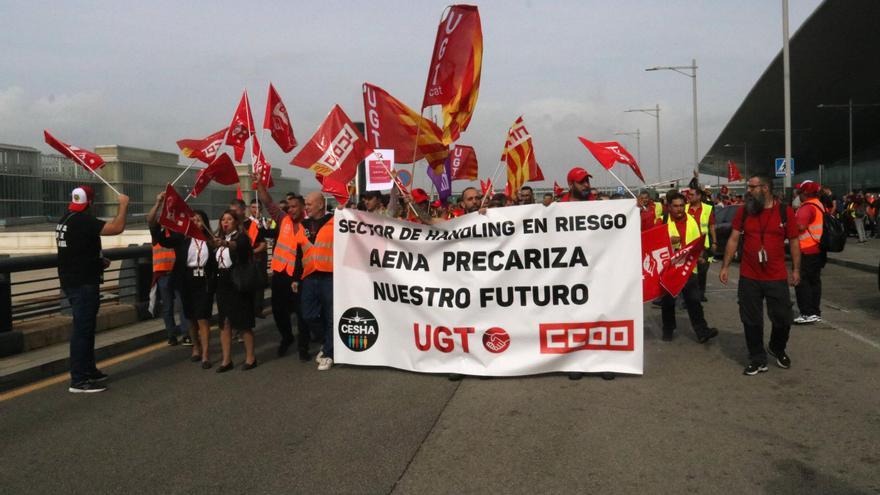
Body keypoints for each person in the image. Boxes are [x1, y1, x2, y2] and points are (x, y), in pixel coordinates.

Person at [719, 174, 800, 376]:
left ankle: (776, 347)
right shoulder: (745, 212)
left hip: (776, 276)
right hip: (749, 276)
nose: (749, 190)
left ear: (765, 188)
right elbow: (733, 239)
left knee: (783, 317)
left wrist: (796, 269)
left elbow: (795, 241)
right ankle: (757, 358)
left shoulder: (784, 212)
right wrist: (725, 266)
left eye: (752, 187)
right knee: (751, 320)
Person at [57, 186, 129, 393]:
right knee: (82, 331)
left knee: (86, 330)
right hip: (83, 284)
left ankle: (88, 370)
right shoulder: (83, 220)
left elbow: (76, 251)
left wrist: (98, 262)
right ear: (90, 202)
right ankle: (79, 380)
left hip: (72, 280)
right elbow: (116, 228)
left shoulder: (66, 219)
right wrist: (122, 205)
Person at [147, 192, 214, 367]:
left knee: (203, 318)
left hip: (204, 283)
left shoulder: (211, 241)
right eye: (193, 220)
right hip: (186, 280)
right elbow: (158, 234)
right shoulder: (181, 238)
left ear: (205, 223)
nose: (195, 223)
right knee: (190, 317)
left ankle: (206, 354)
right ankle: (196, 347)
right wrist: (159, 204)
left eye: (199, 220)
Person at [254, 178, 316, 361]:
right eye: (288, 207)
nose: (290, 209)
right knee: (279, 311)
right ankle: (287, 337)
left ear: (303, 207)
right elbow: (268, 202)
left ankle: (303, 346)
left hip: (301, 276)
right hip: (281, 275)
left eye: (294, 206)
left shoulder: (311, 224)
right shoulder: (283, 220)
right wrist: (259, 185)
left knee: (302, 313)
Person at [191, 210, 258, 372]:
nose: (225, 222)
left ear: (235, 222)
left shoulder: (240, 238)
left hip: (237, 282)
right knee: (224, 322)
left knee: (243, 322)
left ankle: (251, 357)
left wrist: (225, 244)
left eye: (229, 219)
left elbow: (239, 247)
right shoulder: (217, 239)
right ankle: (226, 360)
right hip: (222, 283)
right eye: (223, 220)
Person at [661, 192, 719, 344]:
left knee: (694, 301)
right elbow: (654, 243)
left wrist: (699, 256)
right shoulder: (663, 221)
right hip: (670, 270)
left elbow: (696, 242)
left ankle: (702, 331)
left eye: (681, 205)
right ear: (669, 207)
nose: (679, 209)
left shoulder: (692, 220)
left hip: (688, 268)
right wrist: (668, 240)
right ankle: (668, 330)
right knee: (668, 302)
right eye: (675, 206)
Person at [301, 192, 336, 371]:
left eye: (309, 203)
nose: (305, 206)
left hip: (329, 276)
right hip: (309, 276)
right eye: (305, 203)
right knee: (308, 315)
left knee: (331, 317)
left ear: (321, 204)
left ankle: (329, 353)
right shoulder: (303, 224)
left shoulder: (336, 222)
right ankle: (328, 342)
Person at [151, 221, 189, 346]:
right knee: (168, 307)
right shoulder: (157, 235)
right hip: (163, 275)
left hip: (176, 273)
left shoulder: (178, 234)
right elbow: (151, 222)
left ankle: (186, 334)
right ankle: (171, 335)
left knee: (182, 305)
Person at [793, 180, 826, 324]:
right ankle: (814, 311)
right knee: (814, 282)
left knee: (802, 282)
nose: (798, 194)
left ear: (805, 193)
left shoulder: (807, 207)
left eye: (799, 192)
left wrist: (787, 225)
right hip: (817, 248)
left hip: (806, 249)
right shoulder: (818, 204)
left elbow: (800, 227)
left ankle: (806, 313)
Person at [687, 188, 717, 302]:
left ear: (699, 196)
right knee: (690, 271)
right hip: (689, 244)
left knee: (702, 270)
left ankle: (701, 293)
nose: (689, 196)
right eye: (688, 194)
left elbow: (712, 227)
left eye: (691, 194)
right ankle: (690, 296)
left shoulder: (707, 209)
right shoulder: (685, 208)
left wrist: (714, 242)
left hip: (703, 245)